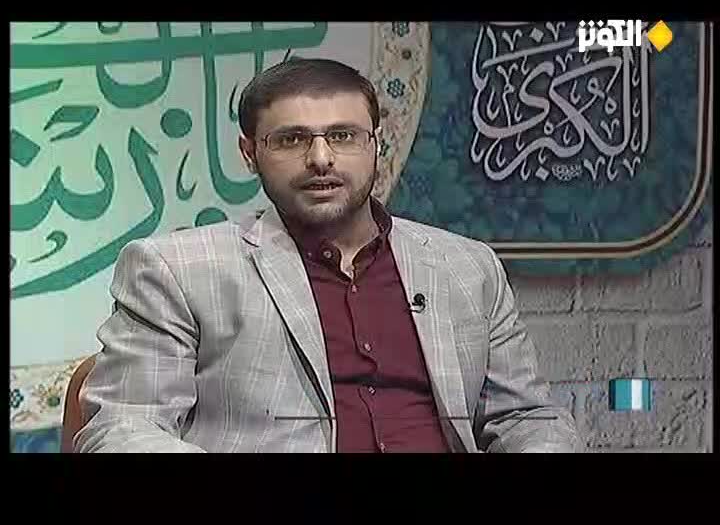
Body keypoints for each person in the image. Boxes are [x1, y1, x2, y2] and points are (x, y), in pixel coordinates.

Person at [75, 58, 581, 453]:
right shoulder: (178, 269)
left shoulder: (468, 268)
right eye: (291, 139)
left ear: (376, 143)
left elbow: (527, 417)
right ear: (249, 153)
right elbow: (122, 427)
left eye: (342, 136)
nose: (321, 159)